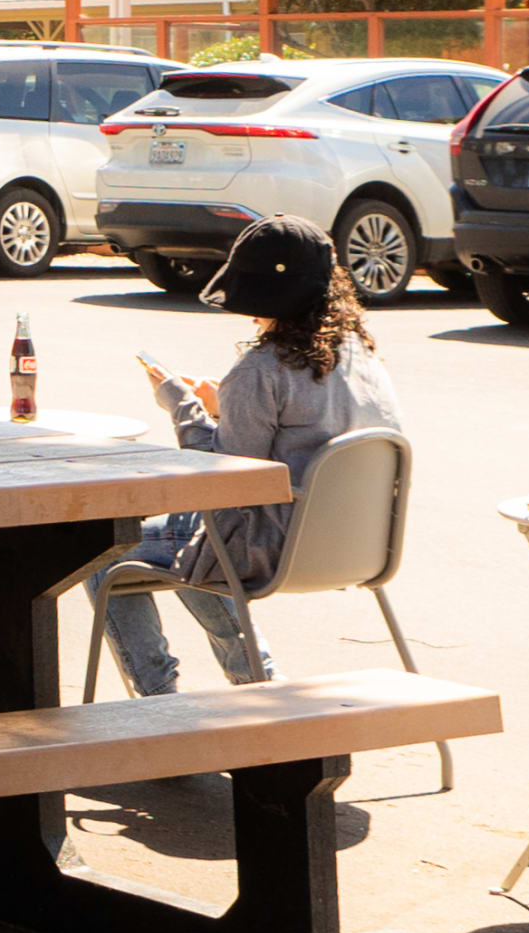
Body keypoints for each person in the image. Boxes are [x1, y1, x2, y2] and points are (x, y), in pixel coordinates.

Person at [88, 215, 403, 695]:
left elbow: (222, 484)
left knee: (98, 553)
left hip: (270, 547)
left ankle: (159, 698)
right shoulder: (363, 356)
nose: (250, 316)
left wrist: (183, 406)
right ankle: (256, 680)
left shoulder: (260, 370)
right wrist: (226, 410)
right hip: (358, 545)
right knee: (198, 542)